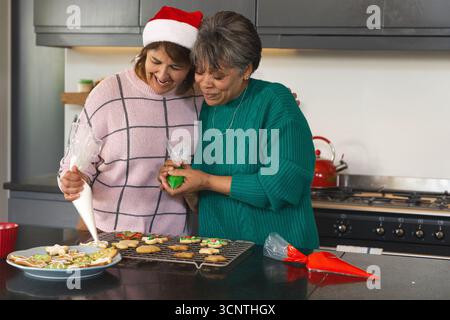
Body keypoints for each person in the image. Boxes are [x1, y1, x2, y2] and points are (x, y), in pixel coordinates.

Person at [159, 11, 319, 250]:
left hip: (279, 257)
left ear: (246, 70)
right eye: (200, 72)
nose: (205, 83)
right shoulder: (208, 108)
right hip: (219, 255)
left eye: (218, 76)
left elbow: (283, 187)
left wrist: (206, 180)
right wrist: (188, 184)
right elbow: (206, 201)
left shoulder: (276, 102)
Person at [58, 6, 204, 235]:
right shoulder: (109, 92)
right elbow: (76, 164)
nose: (163, 75)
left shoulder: (198, 98)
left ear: (190, 68)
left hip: (172, 240)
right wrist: (73, 180)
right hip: (106, 233)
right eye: (155, 61)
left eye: (175, 67)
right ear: (144, 53)